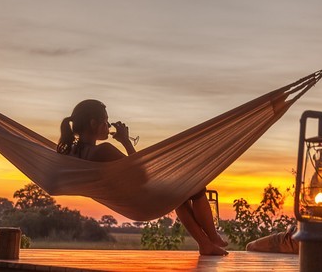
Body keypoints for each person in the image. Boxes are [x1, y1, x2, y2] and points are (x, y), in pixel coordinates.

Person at [57, 99, 228, 255]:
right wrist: (126, 141)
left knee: (180, 194)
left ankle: (205, 244)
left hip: (129, 202)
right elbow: (142, 174)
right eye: (105, 122)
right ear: (94, 124)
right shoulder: (102, 150)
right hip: (141, 200)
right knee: (196, 186)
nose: (108, 126)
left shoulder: (70, 153)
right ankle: (213, 237)